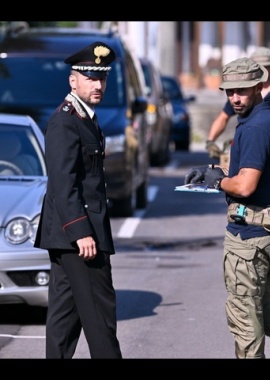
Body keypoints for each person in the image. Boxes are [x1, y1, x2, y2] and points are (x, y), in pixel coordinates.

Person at [185, 57, 270, 359]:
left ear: (259, 86)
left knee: (244, 318)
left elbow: (245, 185)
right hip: (269, 233)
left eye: (242, 90)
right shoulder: (269, 119)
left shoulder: (256, 127)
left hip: (248, 238)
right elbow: (252, 167)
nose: (234, 97)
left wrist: (218, 182)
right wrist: (213, 170)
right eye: (229, 91)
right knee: (266, 302)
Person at [34, 41, 122, 358]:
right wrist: (81, 230)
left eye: (102, 78)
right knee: (100, 318)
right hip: (80, 236)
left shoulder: (85, 118)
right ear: (74, 80)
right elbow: (63, 181)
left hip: (71, 234)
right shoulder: (65, 120)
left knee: (64, 320)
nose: (98, 85)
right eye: (90, 78)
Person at [206, 47, 270, 159]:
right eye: (258, 66)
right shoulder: (238, 94)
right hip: (247, 145)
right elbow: (223, 117)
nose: (261, 69)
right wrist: (210, 141)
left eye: (265, 66)